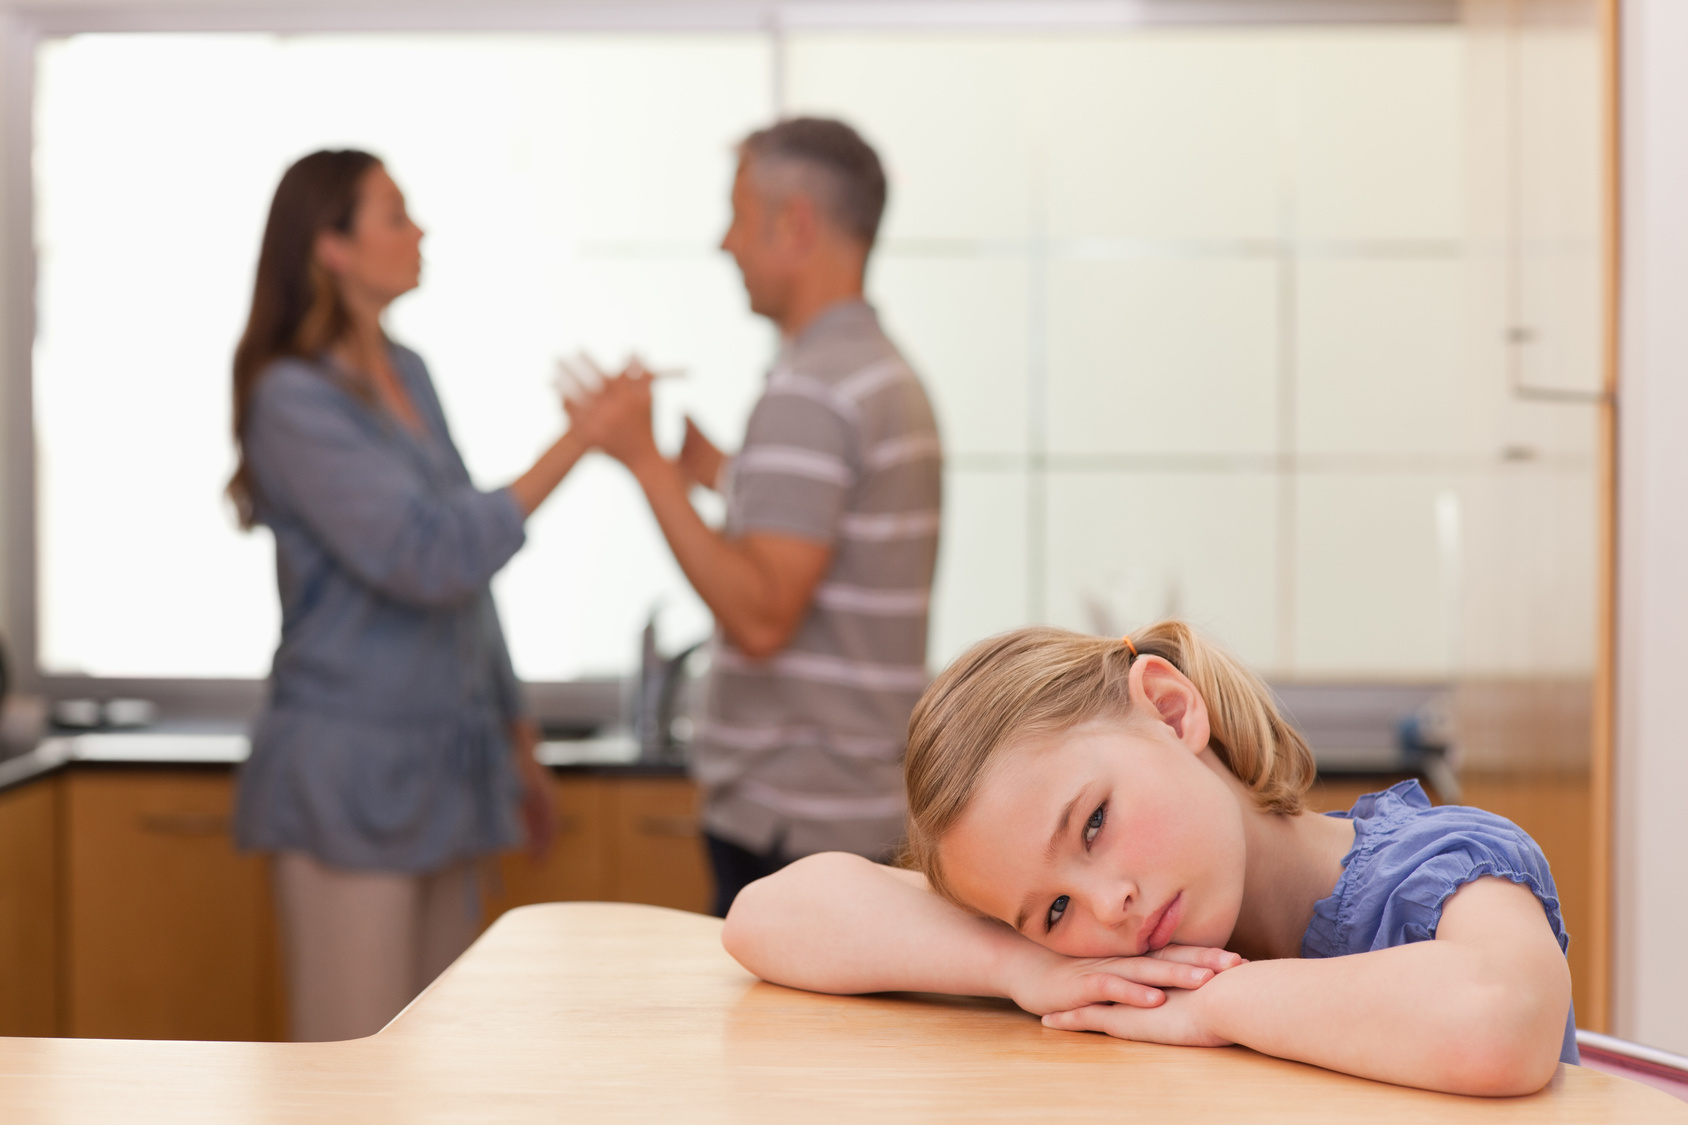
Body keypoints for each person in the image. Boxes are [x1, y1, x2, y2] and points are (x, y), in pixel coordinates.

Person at [721, 622, 1578, 1097]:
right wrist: (1022, 962)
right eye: (1053, 909)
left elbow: (1498, 1022)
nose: (1109, 905)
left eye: (1092, 824)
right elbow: (767, 916)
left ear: (1171, 712)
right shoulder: (1095, 957)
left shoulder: (1439, 862)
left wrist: (1218, 1002)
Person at [229, 150, 589, 1041]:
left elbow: (466, 565)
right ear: (332, 247)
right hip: (351, 774)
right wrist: (577, 443)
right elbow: (426, 556)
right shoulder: (293, 399)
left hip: (448, 765)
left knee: (438, 1059)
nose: (419, 230)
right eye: (395, 214)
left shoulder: (410, 372)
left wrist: (516, 733)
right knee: (355, 1070)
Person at [567, 118, 942, 916]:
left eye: (738, 215)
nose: (724, 243)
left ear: (794, 223)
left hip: (795, 819)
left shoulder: (810, 392)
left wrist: (643, 464)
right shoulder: (876, 372)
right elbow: (829, 538)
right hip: (848, 808)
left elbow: (763, 612)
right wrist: (715, 476)